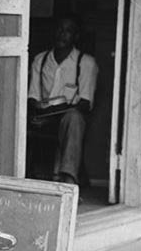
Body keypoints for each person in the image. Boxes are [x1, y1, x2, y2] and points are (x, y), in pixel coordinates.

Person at [27, 16, 99, 184]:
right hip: (43, 115)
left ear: (76, 36)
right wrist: (38, 114)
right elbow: (33, 96)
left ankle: (68, 179)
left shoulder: (86, 62)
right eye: (59, 29)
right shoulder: (41, 60)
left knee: (73, 118)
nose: (62, 34)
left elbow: (85, 103)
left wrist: (54, 112)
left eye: (68, 31)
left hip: (68, 116)